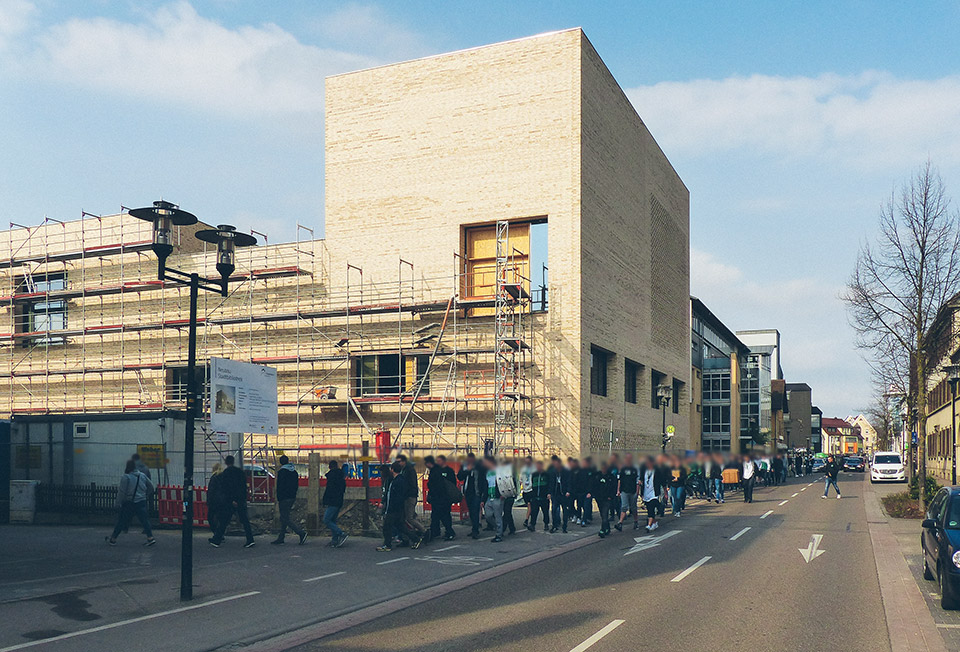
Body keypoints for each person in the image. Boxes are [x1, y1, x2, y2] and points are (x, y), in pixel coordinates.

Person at [106, 460, 156, 546]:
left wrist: (117, 503)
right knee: (145, 521)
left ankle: (113, 539)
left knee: (121, 521)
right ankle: (150, 538)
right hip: (141, 501)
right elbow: (151, 487)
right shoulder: (142, 475)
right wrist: (145, 495)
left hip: (130, 503)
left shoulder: (126, 477)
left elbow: (122, 492)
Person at [210, 455, 255, 548]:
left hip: (230, 501)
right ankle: (250, 539)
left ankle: (217, 539)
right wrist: (242, 498)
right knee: (244, 520)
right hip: (241, 499)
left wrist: (231, 499)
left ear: (226, 462)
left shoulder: (226, 473)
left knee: (224, 520)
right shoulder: (240, 472)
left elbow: (226, 488)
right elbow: (243, 487)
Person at [272, 455, 308, 546]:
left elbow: (280, 486)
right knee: (285, 516)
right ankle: (281, 537)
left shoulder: (282, 472)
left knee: (284, 518)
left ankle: (300, 533)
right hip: (291, 497)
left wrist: (278, 497)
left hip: (284, 497)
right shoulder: (294, 472)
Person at [396, 454, 427, 545]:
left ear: (404, 461)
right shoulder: (405, 470)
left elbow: (410, 484)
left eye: (399, 462)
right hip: (408, 496)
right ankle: (410, 535)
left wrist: (407, 494)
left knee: (409, 518)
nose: (398, 464)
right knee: (406, 518)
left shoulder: (408, 470)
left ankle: (423, 531)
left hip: (410, 497)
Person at [425, 455, 458, 541]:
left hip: (443, 497)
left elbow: (449, 484)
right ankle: (435, 531)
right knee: (436, 515)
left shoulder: (447, 471)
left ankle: (449, 532)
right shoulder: (436, 470)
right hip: (437, 498)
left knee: (444, 515)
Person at [378, 461, 408, 552]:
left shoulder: (395, 481)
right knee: (400, 525)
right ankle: (415, 538)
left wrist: (385, 504)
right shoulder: (399, 479)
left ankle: (387, 545)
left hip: (392, 508)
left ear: (392, 470)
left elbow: (390, 494)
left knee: (386, 527)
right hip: (396, 508)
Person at [457, 453, 484, 539]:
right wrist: (467, 471)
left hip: (476, 492)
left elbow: (483, 480)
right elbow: (460, 476)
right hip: (468, 492)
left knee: (475, 511)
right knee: (471, 512)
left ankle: (475, 530)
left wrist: (482, 493)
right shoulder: (465, 466)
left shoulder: (479, 467)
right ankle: (473, 528)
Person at [322, 459, 347, 547]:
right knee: (333, 520)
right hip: (339, 500)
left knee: (326, 519)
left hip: (332, 501)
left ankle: (341, 533)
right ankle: (334, 540)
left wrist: (324, 500)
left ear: (329, 467)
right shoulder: (341, 476)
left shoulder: (331, 477)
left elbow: (329, 490)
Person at [482, 456, 506, 542]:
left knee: (497, 516)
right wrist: (483, 499)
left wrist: (503, 494)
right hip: (489, 496)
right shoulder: (487, 472)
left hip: (497, 497)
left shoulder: (499, 472)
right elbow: (485, 485)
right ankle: (498, 527)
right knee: (488, 515)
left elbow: (504, 482)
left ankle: (499, 534)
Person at [590, 460, 616, 537]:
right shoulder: (597, 476)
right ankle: (607, 528)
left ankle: (602, 530)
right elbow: (594, 486)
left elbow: (613, 488)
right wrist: (594, 495)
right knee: (602, 514)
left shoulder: (610, 477)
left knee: (605, 514)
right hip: (599, 498)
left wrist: (611, 496)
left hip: (607, 499)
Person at [615, 453, 640, 531]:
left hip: (632, 491)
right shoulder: (622, 468)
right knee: (624, 507)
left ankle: (636, 521)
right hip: (624, 491)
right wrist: (618, 490)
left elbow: (638, 481)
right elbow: (619, 480)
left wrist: (637, 491)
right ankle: (620, 523)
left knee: (633, 508)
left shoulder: (635, 468)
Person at [641, 456, 665, 532]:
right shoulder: (644, 471)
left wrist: (666, 492)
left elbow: (662, 481)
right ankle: (654, 523)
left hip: (654, 493)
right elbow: (641, 481)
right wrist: (641, 493)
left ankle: (648, 525)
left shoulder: (657, 471)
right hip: (646, 493)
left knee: (651, 508)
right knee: (649, 509)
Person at [548, 455, 572, 533]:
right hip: (555, 494)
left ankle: (564, 526)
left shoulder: (566, 472)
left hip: (563, 494)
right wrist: (549, 493)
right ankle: (554, 525)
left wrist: (568, 491)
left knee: (565, 510)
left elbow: (569, 482)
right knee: (554, 510)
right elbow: (551, 483)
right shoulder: (553, 472)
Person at [527, 459, 550, 531]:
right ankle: (532, 525)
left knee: (545, 512)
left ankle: (546, 524)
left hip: (544, 497)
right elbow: (531, 484)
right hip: (535, 497)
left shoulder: (546, 474)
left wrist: (549, 493)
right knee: (534, 512)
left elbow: (549, 484)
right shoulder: (534, 474)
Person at [206, 462, 227, 535]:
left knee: (210, 518)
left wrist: (208, 501)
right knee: (220, 519)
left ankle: (216, 534)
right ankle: (220, 534)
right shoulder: (224, 477)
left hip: (214, 501)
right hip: (223, 501)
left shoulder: (214, 477)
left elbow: (211, 490)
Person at [576, 457, 594, 526]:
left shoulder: (591, 471)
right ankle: (579, 517)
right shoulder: (579, 471)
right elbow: (576, 481)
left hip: (587, 493)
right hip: (580, 492)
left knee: (586, 506)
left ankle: (585, 519)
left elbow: (592, 483)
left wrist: (590, 492)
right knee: (579, 505)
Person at [519, 456, 535, 528]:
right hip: (525, 490)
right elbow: (520, 480)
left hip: (531, 489)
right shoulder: (523, 470)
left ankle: (527, 519)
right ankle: (530, 516)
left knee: (530, 505)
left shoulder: (534, 469)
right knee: (529, 506)